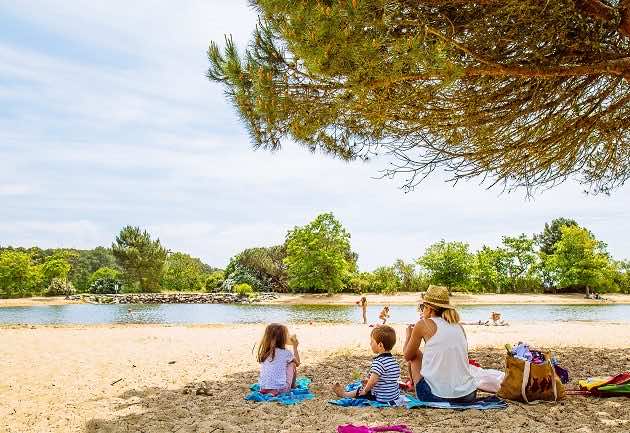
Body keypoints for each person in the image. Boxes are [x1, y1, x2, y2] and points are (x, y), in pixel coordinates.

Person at [403, 285, 477, 403]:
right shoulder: (458, 326)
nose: (422, 310)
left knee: (415, 354)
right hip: (468, 394)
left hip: (437, 396)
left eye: (423, 307)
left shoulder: (423, 324)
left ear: (429, 308)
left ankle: (414, 385)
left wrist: (408, 335)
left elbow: (407, 356)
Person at [333, 325, 401, 404]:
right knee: (367, 384)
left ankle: (344, 394)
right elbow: (387, 378)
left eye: (372, 342)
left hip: (381, 397)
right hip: (393, 396)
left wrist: (365, 390)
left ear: (380, 345)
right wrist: (368, 381)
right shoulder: (394, 361)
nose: (370, 343)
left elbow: (373, 381)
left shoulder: (379, 362)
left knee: (361, 389)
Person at [257, 323, 301, 395]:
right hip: (281, 389)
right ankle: (293, 386)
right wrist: (295, 347)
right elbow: (298, 363)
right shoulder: (286, 353)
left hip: (263, 388)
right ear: (282, 338)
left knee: (282, 364)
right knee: (292, 363)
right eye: (287, 335)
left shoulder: (264, 352)